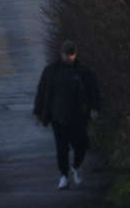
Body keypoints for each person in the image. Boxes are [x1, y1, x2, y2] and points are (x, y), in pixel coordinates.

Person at [33, 39, 101, 190]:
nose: (69, 57)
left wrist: (95, 108)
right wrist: (38, 112)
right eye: (66, 54)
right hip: (58, 117)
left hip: (78, 117)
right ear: (61, 54)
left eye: (72, 54)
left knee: (81, 145)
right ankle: (64, 176)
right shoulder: (51, 71)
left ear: (75, 54)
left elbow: (93, 91)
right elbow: (42, 91)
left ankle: (75, 167)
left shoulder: (84, 72)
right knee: (61, 148)